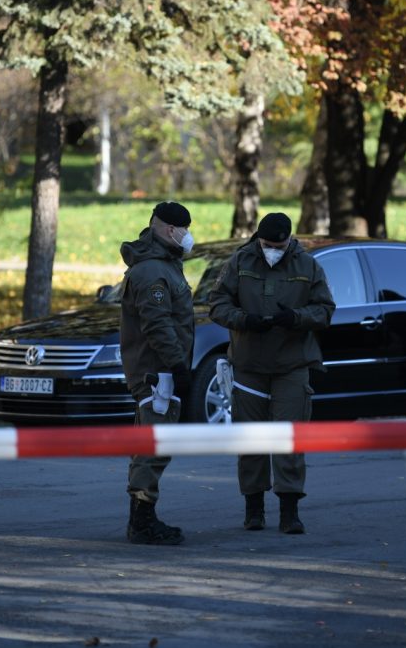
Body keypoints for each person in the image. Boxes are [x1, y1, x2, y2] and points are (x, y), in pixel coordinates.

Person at [208, 212, 336, 534]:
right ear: (258, 239)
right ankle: (254, 509)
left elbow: (325, 310)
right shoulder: (240, 261)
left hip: (292, 365)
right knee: (250, 439)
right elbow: (217, 304)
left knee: (288, 439)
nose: (272, 250)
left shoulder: (307, 266)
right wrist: (242, 319)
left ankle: (289, 511)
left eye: (278, 246)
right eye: (267, 245)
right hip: (249, 364)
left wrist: (296, 317)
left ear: (289, 241)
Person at [119, 201, 195, 545]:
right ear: (169, 231)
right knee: (154, 445)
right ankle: (143, 522)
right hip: (157, 374)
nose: (189, 237)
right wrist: (177, 366)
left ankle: (142, 517)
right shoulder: (152, 272)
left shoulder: (164, 264)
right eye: (185, 230)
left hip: (159, 370)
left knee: (150, 443)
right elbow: (158, 324)